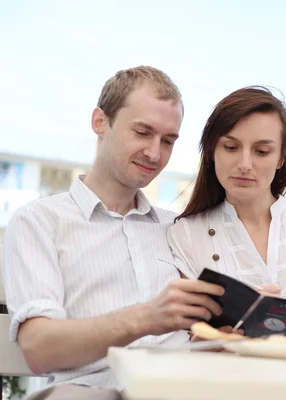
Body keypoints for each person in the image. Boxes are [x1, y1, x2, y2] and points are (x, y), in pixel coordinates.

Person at [2, 66, 225, 400]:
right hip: (91, 391)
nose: (154, 154)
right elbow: (38, 348)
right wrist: (145, 318)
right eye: (142, 132)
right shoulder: (39, 222)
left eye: (168, 141)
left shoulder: (179, 228)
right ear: (99, 122)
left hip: (184, 388)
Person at [167, 86, 286, 336]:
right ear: (212, 151)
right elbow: (195, 335)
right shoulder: (186, 234)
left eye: (262, 152)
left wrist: (260, 316)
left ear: (282, 158)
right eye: (231, 147)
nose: (245, 164)